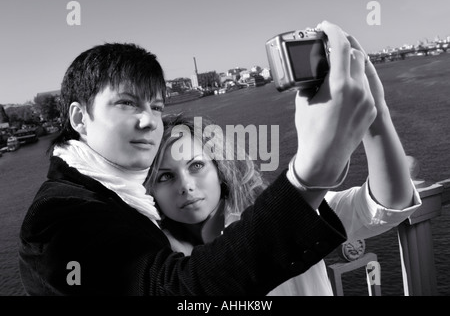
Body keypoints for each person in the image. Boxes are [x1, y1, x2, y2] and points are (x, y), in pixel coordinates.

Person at [19, 21, 385, 295]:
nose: (149, 120)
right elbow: (179, 290)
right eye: (127, 103)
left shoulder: (112, 194)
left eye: (157, 106)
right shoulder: (60, 218)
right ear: (80, 118)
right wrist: (309, 176)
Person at [145, 109, 421, 296]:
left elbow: (384, 206)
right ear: (149, 190)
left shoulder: (283, 214)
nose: (186, 186)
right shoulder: (156, 263)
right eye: (165, 176)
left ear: (220, 168)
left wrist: (375, 116)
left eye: (196, 166)